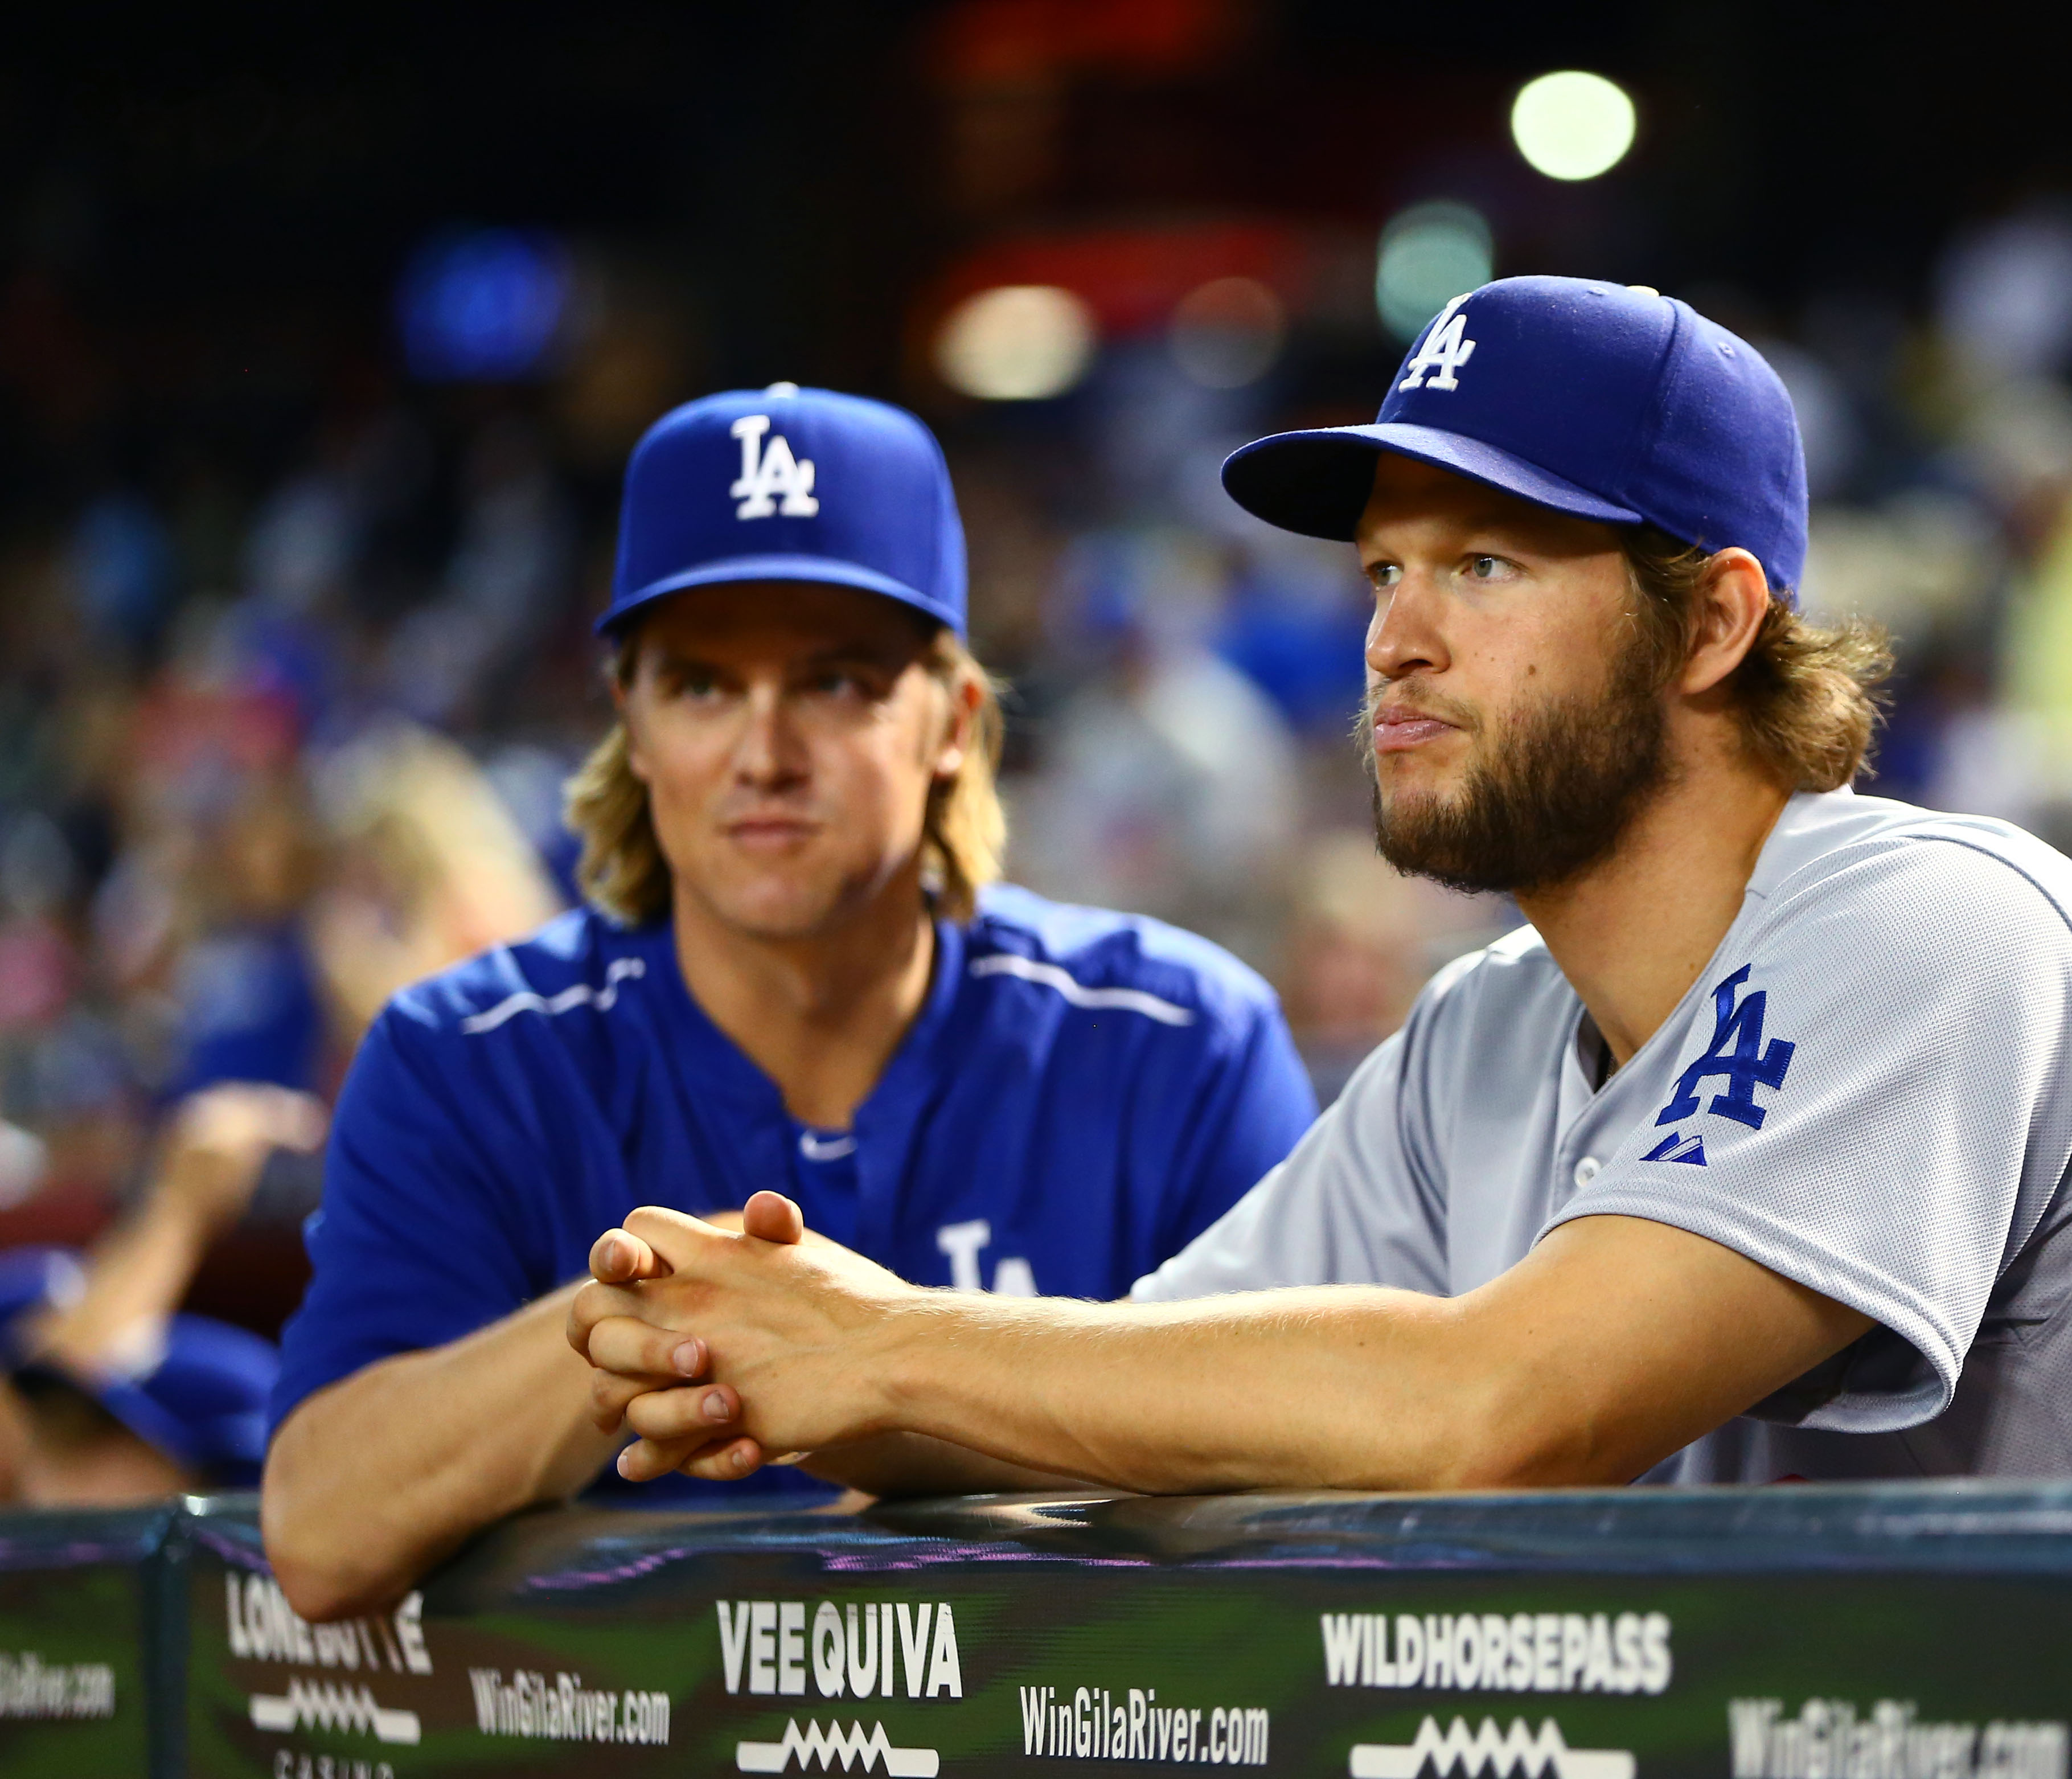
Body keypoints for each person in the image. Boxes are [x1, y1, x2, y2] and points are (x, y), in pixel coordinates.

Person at [569, 280, 2072, 1497]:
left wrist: (895, 1351)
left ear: (1712, 621)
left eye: (1484, 561)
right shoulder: (1477, 1039)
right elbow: (1092, 1394)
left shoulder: (1934, 923)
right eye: (1385, 567)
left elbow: (1509, 1408)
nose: (1394, 639)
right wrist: (750, 1342)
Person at [263, 386, 1318, 1620]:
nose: (763, 751)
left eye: (832, 682)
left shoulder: (1174, 1037)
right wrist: (648, 1313)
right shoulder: (467, 1055)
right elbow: (322, 1536)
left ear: (951, 719)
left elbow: (1313, 1457)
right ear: (633, 722)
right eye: (704, 686)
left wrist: (877, 1368)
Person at [0, 1082, 323, 1503]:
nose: (57, 1472)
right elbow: (59, 1368)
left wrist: (182, 1204)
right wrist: (181, 1202)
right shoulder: (43, 1291)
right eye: (80, 1440)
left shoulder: (247, 1393)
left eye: (93, 1444)